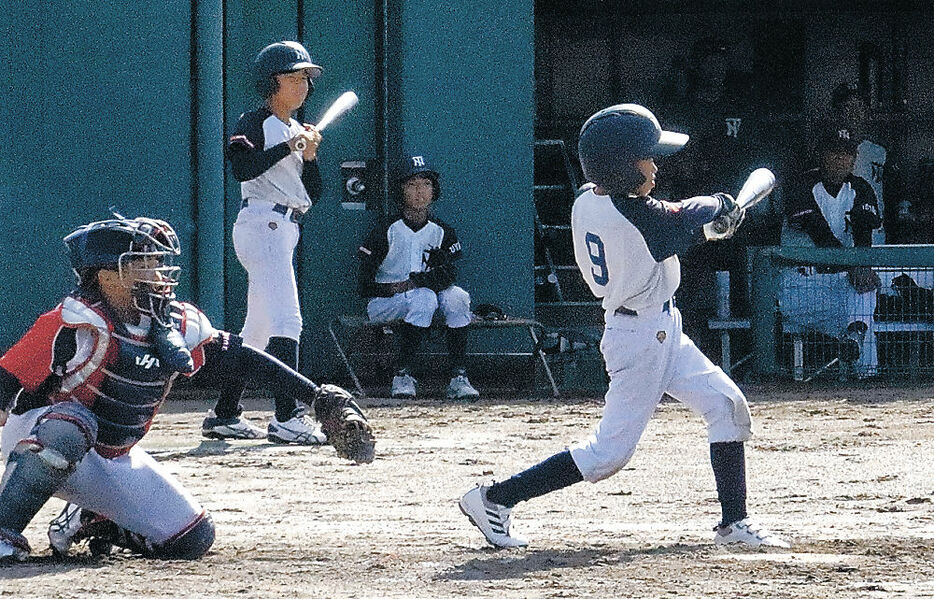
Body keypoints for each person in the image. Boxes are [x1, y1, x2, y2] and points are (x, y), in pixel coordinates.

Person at [458, 104, 788, 549]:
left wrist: (709, 229)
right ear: (619, 168)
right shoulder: (637, 216)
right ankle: (495, 498)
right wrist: (722, 207)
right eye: (645, 159)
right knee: (607, 455)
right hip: (639, 340)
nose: (654, 166)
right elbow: (679, 217)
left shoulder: (587, 201)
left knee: (726, 406)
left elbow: (667, 232)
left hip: (659, 328)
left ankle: (734, 522)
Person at [0, 216, 370, 562]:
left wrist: (318, 398)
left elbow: (241, 358)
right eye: (141, 264)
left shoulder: (175, 321)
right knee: (71, 423)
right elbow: (6, 381)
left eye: (157, 262)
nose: (157, 273)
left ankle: (96, 517)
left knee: (192, 538)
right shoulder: (77, 320)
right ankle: (4, 531)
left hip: (110, 453)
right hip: (35, 434)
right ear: (107, 276)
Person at [202, 41, 327, 444]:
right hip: (262, 222)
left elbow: (314, 193)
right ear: (270, 82)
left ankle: (224, 414)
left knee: (255, 331)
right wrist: (290, 147)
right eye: (294, 77)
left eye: (305, 77)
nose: (303, 84)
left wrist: (309, 157)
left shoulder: (296, 131)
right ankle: (288, 416)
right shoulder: (254, 120)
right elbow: (242, 168)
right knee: (288, 321)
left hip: (285, 225)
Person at [357, 154, 479, 401]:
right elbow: (363, 284)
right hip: (385, 303)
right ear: (400, 190)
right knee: (423, 298)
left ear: (434, 190)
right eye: (412, 185)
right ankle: (402, 374)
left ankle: (458, 377)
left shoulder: (442, 231)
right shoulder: (386, 229)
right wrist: (395, 288)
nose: (419, 192)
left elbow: (448, 274)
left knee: (458, 297)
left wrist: (425, 281)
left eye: (426, 184)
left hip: (424, 296)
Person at [780, 129, 882, 378]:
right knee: (860, 301)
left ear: (854, 157)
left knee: (864, 294)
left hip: (840, 289)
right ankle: (857, 340)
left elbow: (863, 230)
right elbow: (820, 233)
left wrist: (862, 267)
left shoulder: (861, 188)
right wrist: (855, 267)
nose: (840, 158)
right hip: (801, 288)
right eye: (834, 152)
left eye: (846, 153)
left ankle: (856, 342)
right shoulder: (800, 185)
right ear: (821, 154)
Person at [830, 82, 892, 245]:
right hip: (840, 234)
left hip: (875, 233)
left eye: (860, 107)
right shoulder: (827, 150)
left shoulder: (879, 151)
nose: (855, 113)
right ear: (838, 113)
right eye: (848, 107)